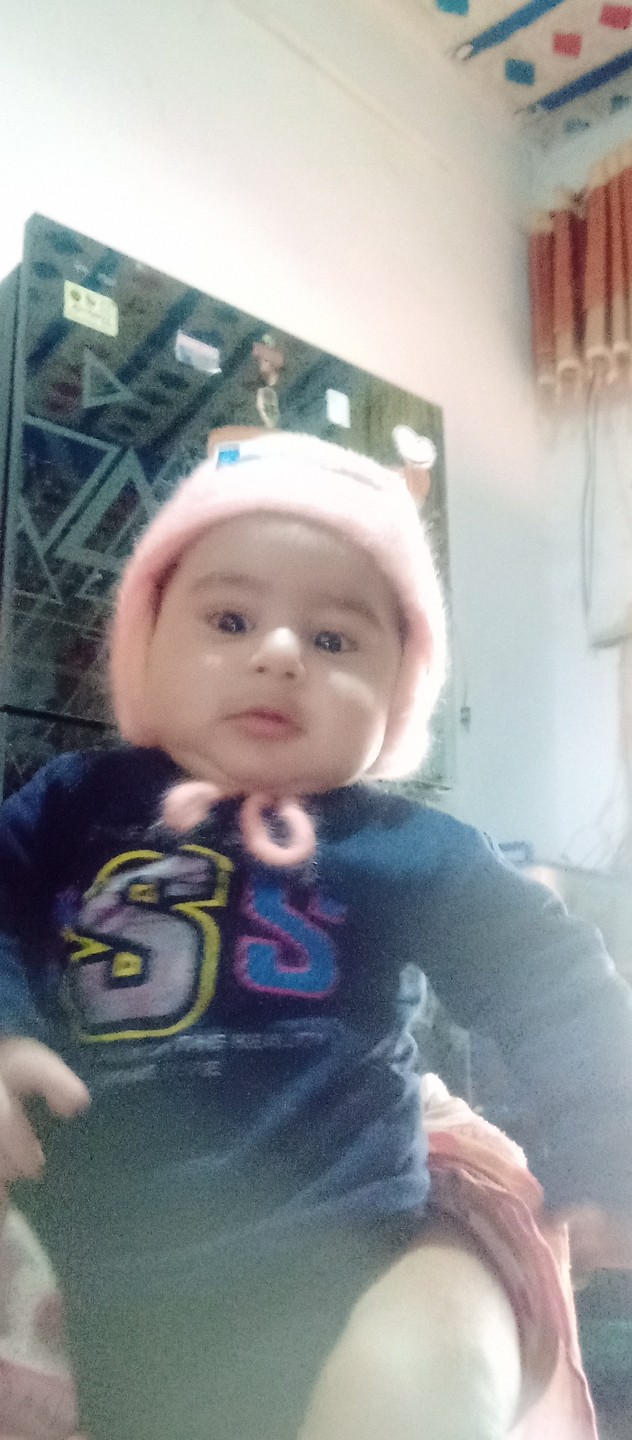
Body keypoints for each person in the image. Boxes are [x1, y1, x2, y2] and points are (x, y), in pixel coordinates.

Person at [0, 429, 629, 1440]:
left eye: (335, 641)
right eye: (230, 619)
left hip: (349, 1240)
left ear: (396, 694)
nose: (280, 653)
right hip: (100, 1256)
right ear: (146, 647)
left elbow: (551, 980)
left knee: (424, 1372)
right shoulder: (72, 804)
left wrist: (604, 1143)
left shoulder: (404, 846)